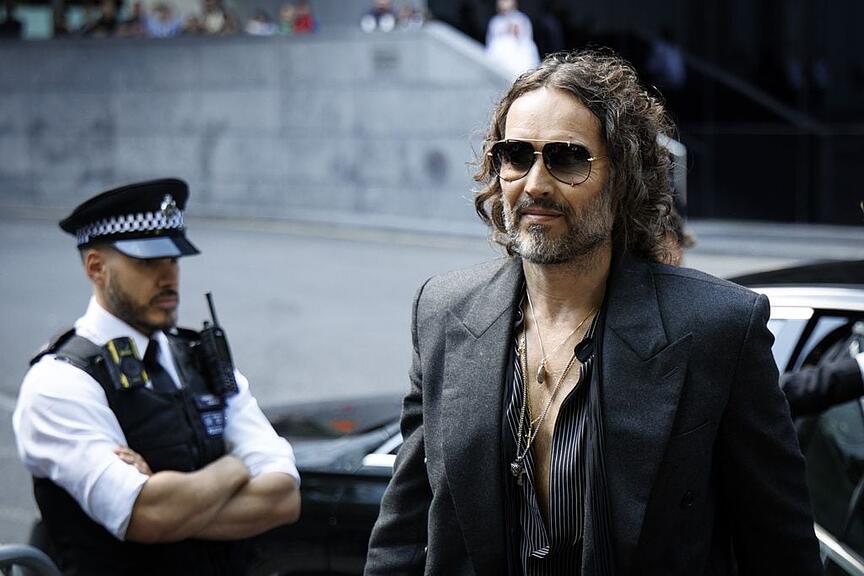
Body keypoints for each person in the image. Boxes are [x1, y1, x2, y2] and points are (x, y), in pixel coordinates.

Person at [364, 49, 822, 575]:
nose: (535, 184)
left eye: (566, 159)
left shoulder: (719, 327)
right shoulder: (444, 312)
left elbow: (781, 551)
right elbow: (402, 537)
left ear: (621, 178)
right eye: (516, 155)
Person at [13, 179, 301, 576]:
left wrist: (171, 504)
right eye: (147, 262)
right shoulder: (61, 382)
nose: (169, 278)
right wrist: (234, 468)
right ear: (96, 267)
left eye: (173, 260)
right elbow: (147, 515)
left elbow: (284, 499)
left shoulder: (200, 358)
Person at [485, 0, 539, 78]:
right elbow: (490, 43)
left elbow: (527, 40)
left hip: (519, 57)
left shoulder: (522, 19)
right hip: (500, 58)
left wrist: (516, 33)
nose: (503, 3)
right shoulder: (495, 21)